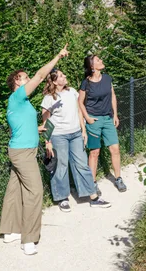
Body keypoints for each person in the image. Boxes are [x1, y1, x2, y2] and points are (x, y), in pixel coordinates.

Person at [0, 45, 69, 256]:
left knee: (15, 189)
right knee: (35, 191)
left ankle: (9, 231)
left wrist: (36, 128)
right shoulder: (18, 96)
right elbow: (40, 75)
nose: (28, 78)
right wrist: (57, 56)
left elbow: (17, 124)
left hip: (20, 149)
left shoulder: (20, 102)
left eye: (27, 76)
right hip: (23, 152)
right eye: (24, 77)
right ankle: (28, 239)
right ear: (16, 83)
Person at [41, 68, 111, 211]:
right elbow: (45, 122)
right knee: (61, 166)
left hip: (76, 134)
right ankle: (62, 197)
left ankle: (92, 196)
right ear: (54, 81)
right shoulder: (49, 98)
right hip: (58, 135)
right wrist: (47, 142)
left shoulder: (72, 92)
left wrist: (83, 130)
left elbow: (79, 110)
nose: (64, 76)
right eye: (61, 76)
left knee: (82, 164)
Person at [78, 55, 127, 193]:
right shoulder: (86, 83)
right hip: (94, 120)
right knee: (94, 152)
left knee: (115, 149)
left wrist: (115, 114)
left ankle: (118, 178)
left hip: (107, 118)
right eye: (98, 60)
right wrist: (87, 118)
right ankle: (92, 183)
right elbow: (80, 102)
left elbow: (112, 95)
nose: (101, 61)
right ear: (92, 67)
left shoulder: (107, 78)